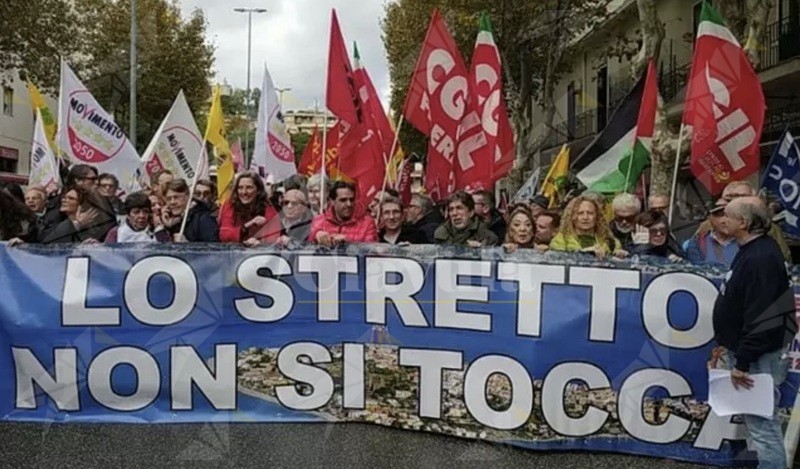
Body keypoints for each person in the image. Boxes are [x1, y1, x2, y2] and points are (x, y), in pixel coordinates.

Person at [711, 196, 796, 469]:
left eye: (728, 215)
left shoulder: (761, 258)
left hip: (759, 357)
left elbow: (763, 316)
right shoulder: (754, 249)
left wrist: (743, 362)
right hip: (753, 352)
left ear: (744, 222)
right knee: (759, 424)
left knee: (763, 426)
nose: (723, 220)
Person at [550, 195, 627, 259]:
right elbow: (557, 263)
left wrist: (620, 256)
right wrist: (584, 254)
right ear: (572, 217)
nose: (585, 217)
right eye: (580, 213)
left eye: (590, 213)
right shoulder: (561, 240)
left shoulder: (611, 242)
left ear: (597, 216)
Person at [218, 171, 278, 246]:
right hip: (233, 250)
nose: (244, 192)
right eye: (240, 188)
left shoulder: (267, 207)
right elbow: (224, 235)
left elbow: (275, 235)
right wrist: (248, 225)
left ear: (258, 190)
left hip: (259, 252)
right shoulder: (230, 206)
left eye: (249, 187)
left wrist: (260, 244)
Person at [309, 181, 378, 246]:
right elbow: (308, 245)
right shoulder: (319, 220)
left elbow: (370, 250)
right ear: (332, 201)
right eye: (343, 200)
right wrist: (317, 235)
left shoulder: (367, 223)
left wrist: (347, 243)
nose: (349, 204)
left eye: (351, 200)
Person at [685, 199, 739, 267]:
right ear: (710, 218)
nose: (725, 220)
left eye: (730, 215)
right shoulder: (697, 243)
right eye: (719, 215)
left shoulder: (745, 241)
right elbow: (696, 269)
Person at [434, 191, 499, 247]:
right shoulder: (441, 234)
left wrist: (481, 251)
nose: (454, 213)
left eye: (459, 208)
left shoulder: (487, 237)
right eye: (451, 209)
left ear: (471, 212)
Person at [105, 192, 170, 243]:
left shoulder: (157, 230)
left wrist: (159, 229)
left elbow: (166, 250)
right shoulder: (116, 233)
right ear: (128, 215)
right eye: (136, 212)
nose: (142, 216)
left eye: (145, 211)